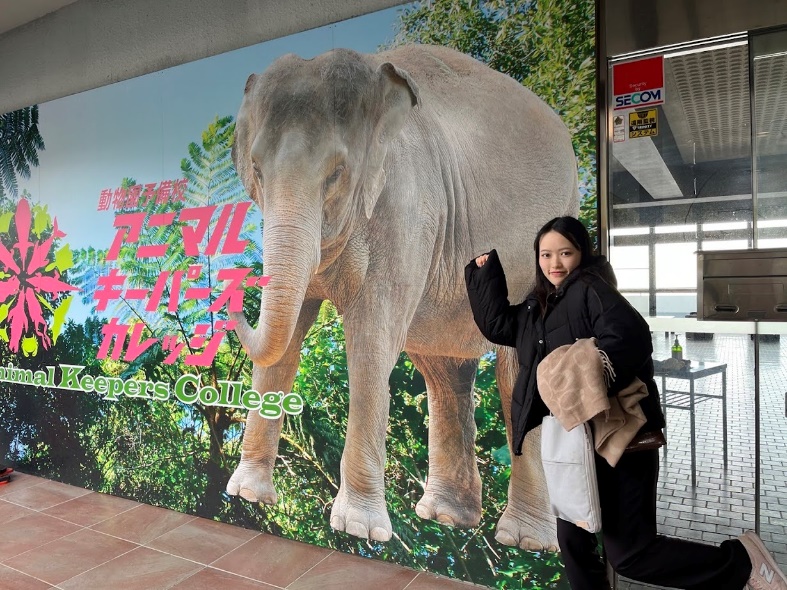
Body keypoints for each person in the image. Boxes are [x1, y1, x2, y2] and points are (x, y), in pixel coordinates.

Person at [464, 215, 786, 590]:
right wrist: (483, 274)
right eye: (546, 254)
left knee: (630, 553)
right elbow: (499, 326)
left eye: (565, 253)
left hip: (617, 435)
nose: (555, 263)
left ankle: (742, 563)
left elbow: (631, 336)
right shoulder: (539, 307)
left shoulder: (591, 288)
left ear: (581, 254)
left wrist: (581, 379)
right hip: (573, 442)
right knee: (573, 542)